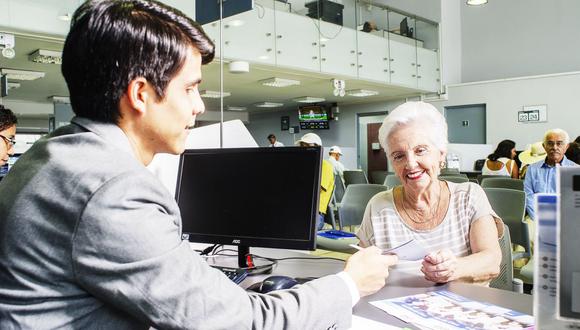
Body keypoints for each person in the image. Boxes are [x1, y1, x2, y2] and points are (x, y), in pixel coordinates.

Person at [0, 1, 398, 329]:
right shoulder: (113, 189)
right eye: (190, 87)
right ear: (140, 94)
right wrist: (349, 284)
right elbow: (241, 324)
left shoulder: (50, 154)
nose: (199, 106)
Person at [356, 102, 502, 284]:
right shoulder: (378, 206)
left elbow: (491, 261)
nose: (410, 163)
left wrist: (453, 268)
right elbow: (362, 268)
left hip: (462, 307)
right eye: (399, 156)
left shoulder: (468, 196)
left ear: (441, 154)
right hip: (395, 307)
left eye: (420, 151)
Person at [524, 129, 578, 221]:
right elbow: (528, 197)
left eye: (559, 143)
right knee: (530, 232)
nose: (554, 147)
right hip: (536, 217)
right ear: (544, 146)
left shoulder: (576, 170)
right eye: (550, 143)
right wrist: (539, 219)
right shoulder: (532, 169)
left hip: (566, 218)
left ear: (566, 147)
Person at [296, 133, 334, 231]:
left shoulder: (325, 165)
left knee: (303, 230)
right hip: (299, 209)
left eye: (308, 146)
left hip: (315, 212)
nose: (304, 150)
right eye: (302, 147)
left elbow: (316, 189)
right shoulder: (303, 165)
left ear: (318, 148)